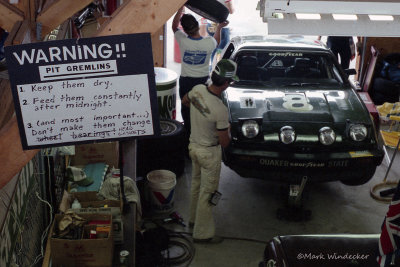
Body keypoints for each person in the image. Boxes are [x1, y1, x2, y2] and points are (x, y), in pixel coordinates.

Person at [181, 59, 239, 243]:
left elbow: (185, 101)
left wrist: (202, 114)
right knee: (208, 192)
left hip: (193, 147)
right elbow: (224, 143)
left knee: (196, 186)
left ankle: (192, 221)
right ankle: (202, 234)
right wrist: (228, 130)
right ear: (226, 84)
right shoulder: (220, 109)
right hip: (208, 153)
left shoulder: (198, 89)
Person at [172, 6, 229, 156]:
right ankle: (202, 143)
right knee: (202, 114)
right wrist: (220, 27)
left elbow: (173, 26)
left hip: (186, 84)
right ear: (198, 27)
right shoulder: (208, 43)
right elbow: (217, 40)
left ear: (184, 29)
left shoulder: (182, 40)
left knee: (187, 115)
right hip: (203, 84)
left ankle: (188, 149)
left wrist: (179, 10)